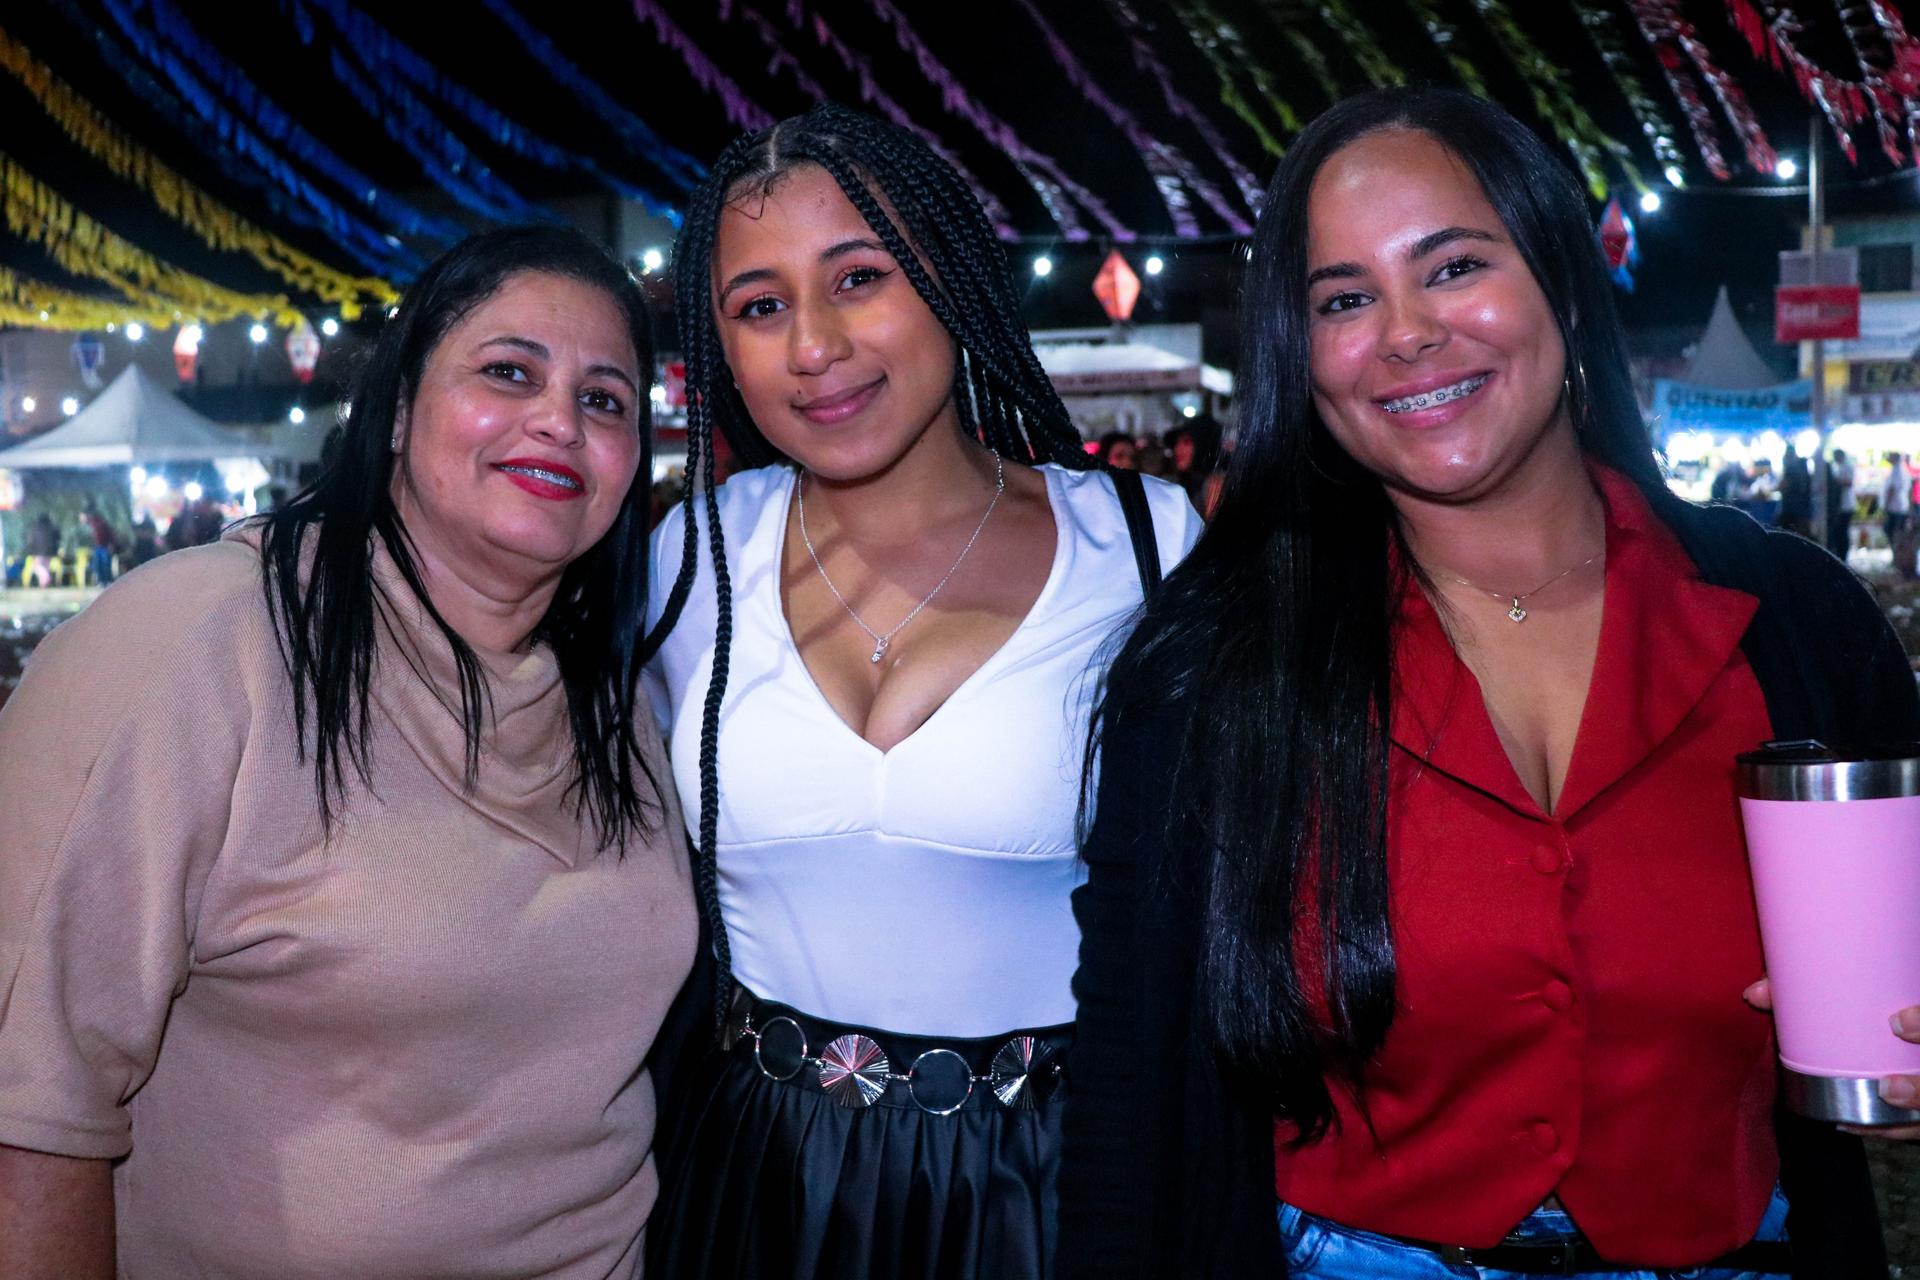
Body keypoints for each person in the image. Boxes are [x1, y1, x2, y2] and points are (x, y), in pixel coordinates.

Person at [1060, 88, 1920, 1279]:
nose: (1406, 333)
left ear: (1561, 280)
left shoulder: (1798, 624)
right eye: (1345, 299)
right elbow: (1125, 1084)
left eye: (1454, 266)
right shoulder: (1215, 662)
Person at [0, 227, 695, 1277]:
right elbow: (30, 1108)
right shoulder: (199, 641)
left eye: (605, 400)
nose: (561, 419)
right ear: (399, 406)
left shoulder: (620, 696)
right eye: (510, 372)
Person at [642, 102, 1201, 1280]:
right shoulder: (687, 559)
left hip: (1054, 1183)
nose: (813, 346)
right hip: (761, 1180)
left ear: (946, 274)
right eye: (760, 306)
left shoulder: (1144, 545)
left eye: (859, 278)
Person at [1826, 447, 1855, 559]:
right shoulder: (1837, 467)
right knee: (1838, 532)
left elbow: (1849, 482)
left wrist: (1835, 482)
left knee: (1843, 532)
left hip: (1846, 505)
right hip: (1839, 506)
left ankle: (1843, 555)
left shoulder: (1847, 467)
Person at [1777, 443, 1811, 535]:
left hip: (1791, 508)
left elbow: (1783, 486)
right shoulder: (1803, 468)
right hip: (1802, 508)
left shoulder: (1790, 469)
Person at [22, 510, 56, 587]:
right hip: (50, 551)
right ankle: (43, 585)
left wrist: (29, 550)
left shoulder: (35, 529)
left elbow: (30, 541)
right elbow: (57, 539)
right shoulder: (52, 528)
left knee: (37, 567)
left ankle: (46, 577)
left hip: (37, 551)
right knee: (46, 567)